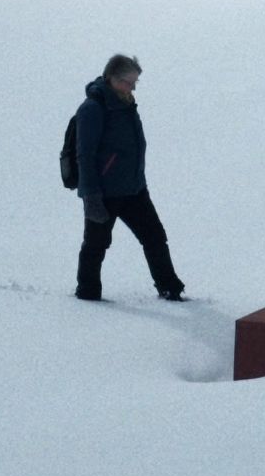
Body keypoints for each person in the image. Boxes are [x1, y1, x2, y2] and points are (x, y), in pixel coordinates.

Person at [64, 53, 184, 301]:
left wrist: (139, 180)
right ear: (111, 78)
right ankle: (87, 294)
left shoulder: (126, 103)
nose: (132, 87)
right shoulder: (93, 108)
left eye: (135, 83)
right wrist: (91, 196)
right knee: (96, 245)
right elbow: (84, 155)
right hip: (104, 193)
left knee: (155, 237)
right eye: (128, 82)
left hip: (134, 189)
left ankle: (170, 289)